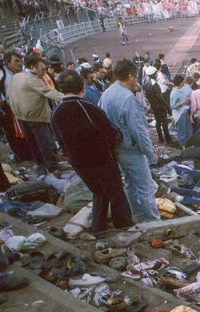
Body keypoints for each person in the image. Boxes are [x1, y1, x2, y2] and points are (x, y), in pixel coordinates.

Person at [51, 70, 134, 234]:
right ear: (81, 86)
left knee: (98, 193)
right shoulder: (88, 108)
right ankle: (123, 226)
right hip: (102, 160)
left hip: (79, 163)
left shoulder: (56, 113)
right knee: (116, 193)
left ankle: (98, 228)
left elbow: (61, 143)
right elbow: (111, 133)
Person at [99, 59, 161, 224]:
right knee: (146, 187)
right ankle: (154, 223)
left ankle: (139, 218)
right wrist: (150, 153)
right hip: (130, 149)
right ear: (131, 76)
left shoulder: (106, 94)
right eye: (136, 76)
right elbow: (139, 132)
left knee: (131, 186)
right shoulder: (128, 98)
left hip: (116, 148)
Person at [8, 53, 64, 173]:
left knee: (33, 143)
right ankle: (53, 166)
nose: (44, 72)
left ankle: (41, 165)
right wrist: (69, 98)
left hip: (21, 116)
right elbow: (50, 93)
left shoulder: (17, 76)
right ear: (33, 67)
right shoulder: (33, 79)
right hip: (36, 117)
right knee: (45, 143)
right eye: (42, 69)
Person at [0, 50, 31, 163]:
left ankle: (29, 156)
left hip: (21, 107)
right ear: (8, 63)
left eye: (20, 61)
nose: (19, 63)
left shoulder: (19, 73)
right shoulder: (2, 74)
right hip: (8, 110)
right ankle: (24, 158)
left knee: (24, 133)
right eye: (16, 61)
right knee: (15, 135)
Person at [143, 66, 171, 144]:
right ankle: (167, 138)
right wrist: (167, 106)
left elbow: (147, 96)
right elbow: (160, 97)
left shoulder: (146, 83)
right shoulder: (155, 84)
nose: (157, 75)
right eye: (156, 74)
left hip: (153, 106)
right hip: (160, 106)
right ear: (153, 74)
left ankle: (160, 138)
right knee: (164, 122)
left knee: (158, 122)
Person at [169, 75, 192, 147]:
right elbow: (172, 106)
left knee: (188, 130)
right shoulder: (174, 92)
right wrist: (182, 102)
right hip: (179, 114)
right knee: (182, 132)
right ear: (180, 83)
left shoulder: (179, 90)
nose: (183, 83)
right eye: (183, 82)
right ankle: (183, 147)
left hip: (184, 112)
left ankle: (188, 145)